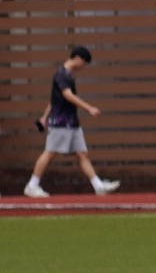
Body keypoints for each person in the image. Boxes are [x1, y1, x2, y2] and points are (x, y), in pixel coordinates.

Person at [23, 46, 120, 197]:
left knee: (82, 155)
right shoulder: (62, 74)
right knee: (49, 153)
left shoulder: (67, 75)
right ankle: (32, 185)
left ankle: (98, 186)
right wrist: (89, 108)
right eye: (84, 62)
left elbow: (54, 101)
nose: (84, 66)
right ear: (78, 58)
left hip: (71, 123)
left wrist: (44, 117)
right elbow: (67, 95)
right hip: (61, 122)